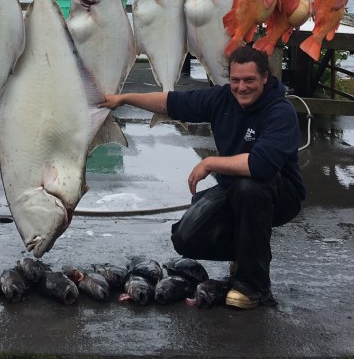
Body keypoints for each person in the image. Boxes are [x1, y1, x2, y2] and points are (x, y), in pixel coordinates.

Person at [100, 45, 304, 310]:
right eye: (236, 80)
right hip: (235, 189)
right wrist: (125, 99)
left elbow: (261, 165)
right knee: (185, 238)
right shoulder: (221, 99)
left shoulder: (280, 112)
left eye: (250, 80)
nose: (242, 87)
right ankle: (248, 253)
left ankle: (254, 286)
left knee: (249, 187)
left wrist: (209, 163)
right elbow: (170, 103)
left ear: (265, 78)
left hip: (280, 194)